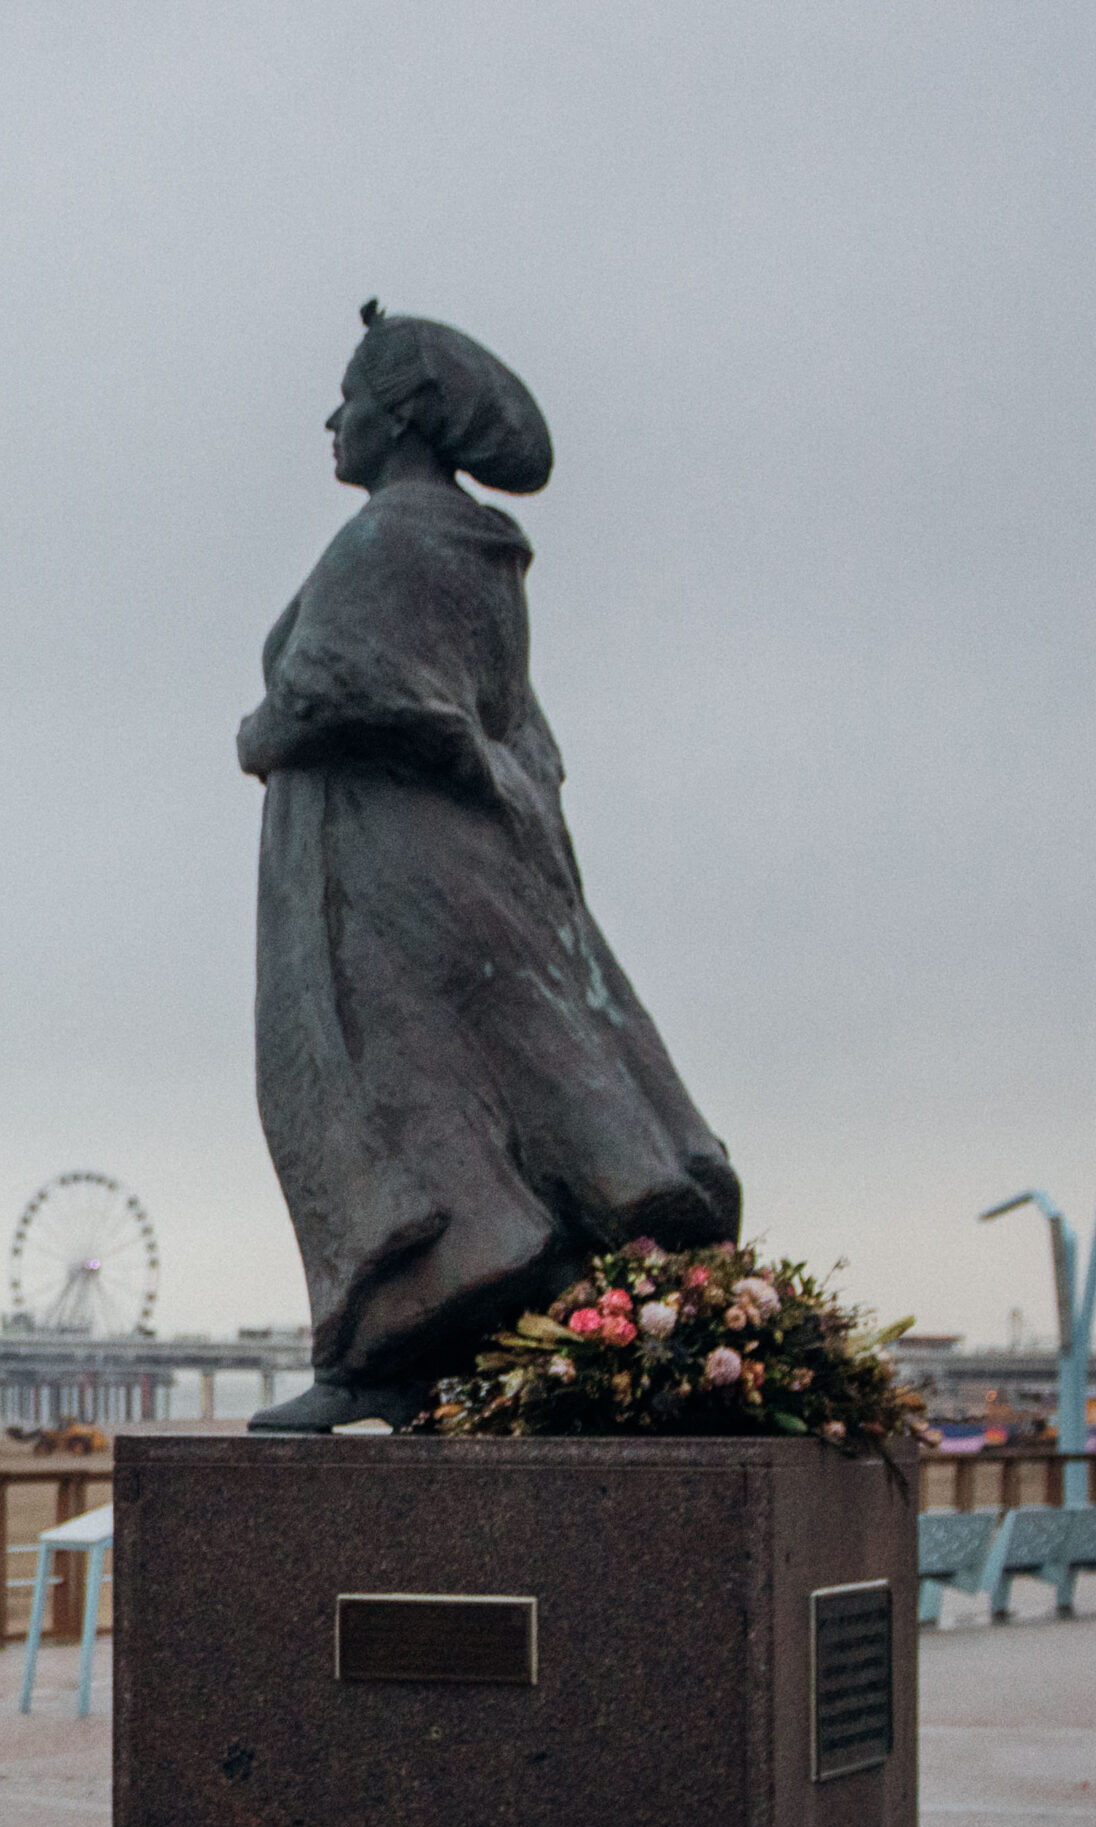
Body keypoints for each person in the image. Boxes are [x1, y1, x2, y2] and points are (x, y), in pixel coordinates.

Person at [236, 303, 740, 1430]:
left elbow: (340, 689)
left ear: (403, 416)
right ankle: (492, 1332)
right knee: (470, 1082)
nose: (332, 420)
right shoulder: (468, 550)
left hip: (385, 875)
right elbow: (512, 731)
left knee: (378, 1092)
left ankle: (392, 1351)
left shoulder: (391, 540)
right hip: (436, 861)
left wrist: (258, 732)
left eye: (349, 397)